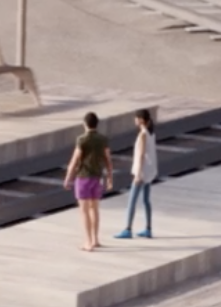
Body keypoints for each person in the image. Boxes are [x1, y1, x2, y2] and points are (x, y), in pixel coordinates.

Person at [65, 112, 113, 252]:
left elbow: (75, 160)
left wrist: (68, 177)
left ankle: (87, 242)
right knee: (95, 209)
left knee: (84, 211)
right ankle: (95, 239)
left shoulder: (82, 140)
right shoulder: (103, 139)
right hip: (97, 177)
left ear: (84, 124)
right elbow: (108, 160)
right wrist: (110, 177)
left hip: (83, 177)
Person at [115, 108, 158, 240]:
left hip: (142, 172)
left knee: (132, 201)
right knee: (146, 200)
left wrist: (138, 174)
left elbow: (140, 155)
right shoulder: (151, 133)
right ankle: (148, 228)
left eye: (135, 118)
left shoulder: (143, 135)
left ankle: (127, 229)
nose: (134, 120)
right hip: (149, 171)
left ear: (140, 120)